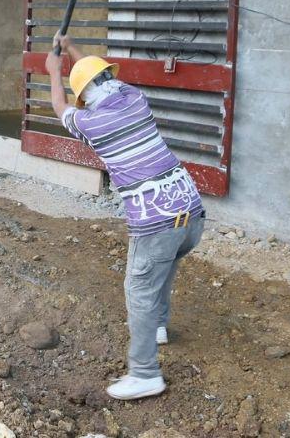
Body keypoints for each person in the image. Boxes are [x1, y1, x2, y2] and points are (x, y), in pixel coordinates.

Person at [45, 33, 205, 401]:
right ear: (111, 79)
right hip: (191, 213)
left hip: (157, 220)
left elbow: (59, 106)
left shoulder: (91, 124)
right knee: (163, 268)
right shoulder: (135, 98)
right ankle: (159, 327)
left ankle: (146, 373)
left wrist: (54, 70)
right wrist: (70, 47)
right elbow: (96, 77)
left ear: (84, 97)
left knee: (139, 289)